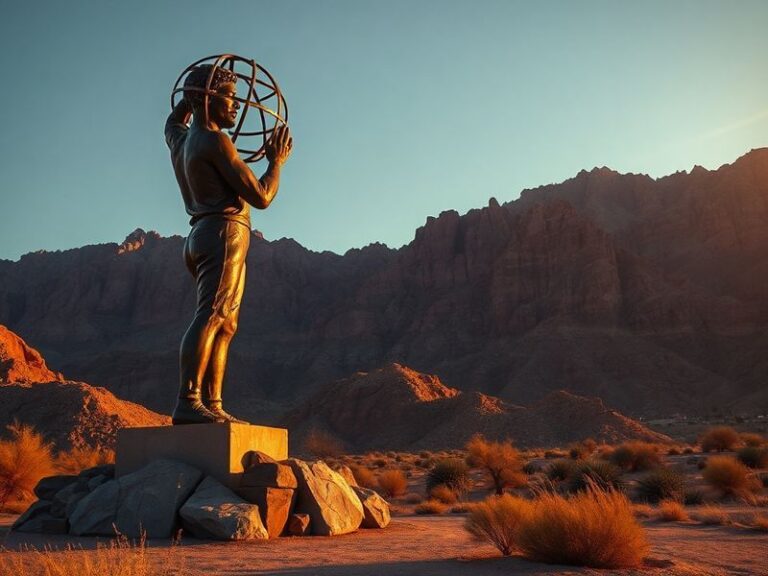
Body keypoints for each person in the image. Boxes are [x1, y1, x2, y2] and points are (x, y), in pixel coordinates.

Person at [164, 64, 292, 424]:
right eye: (230, 96)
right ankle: (189, 401)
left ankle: (213, 403)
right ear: (207, 99)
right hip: (223, 231)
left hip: (201, 235)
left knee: (226, 322)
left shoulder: (180, 138)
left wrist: (192, 97)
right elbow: (261, 196)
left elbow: (172, 120)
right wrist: (276, 163)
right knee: (212, 314)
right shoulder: (214, 140)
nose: (237, 105)